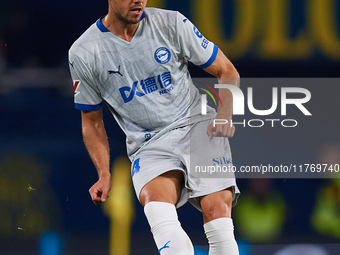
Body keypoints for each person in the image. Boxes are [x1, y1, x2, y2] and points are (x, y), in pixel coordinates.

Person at [69, 0, 240, 254]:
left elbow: (227, 70)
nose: (139, 0)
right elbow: (91, 121)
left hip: (199, 126)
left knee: (219, 223)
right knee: (170, 237)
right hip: (148, 144)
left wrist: (225, 114)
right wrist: (104, 173)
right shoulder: (84, 52)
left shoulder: (172, 23)